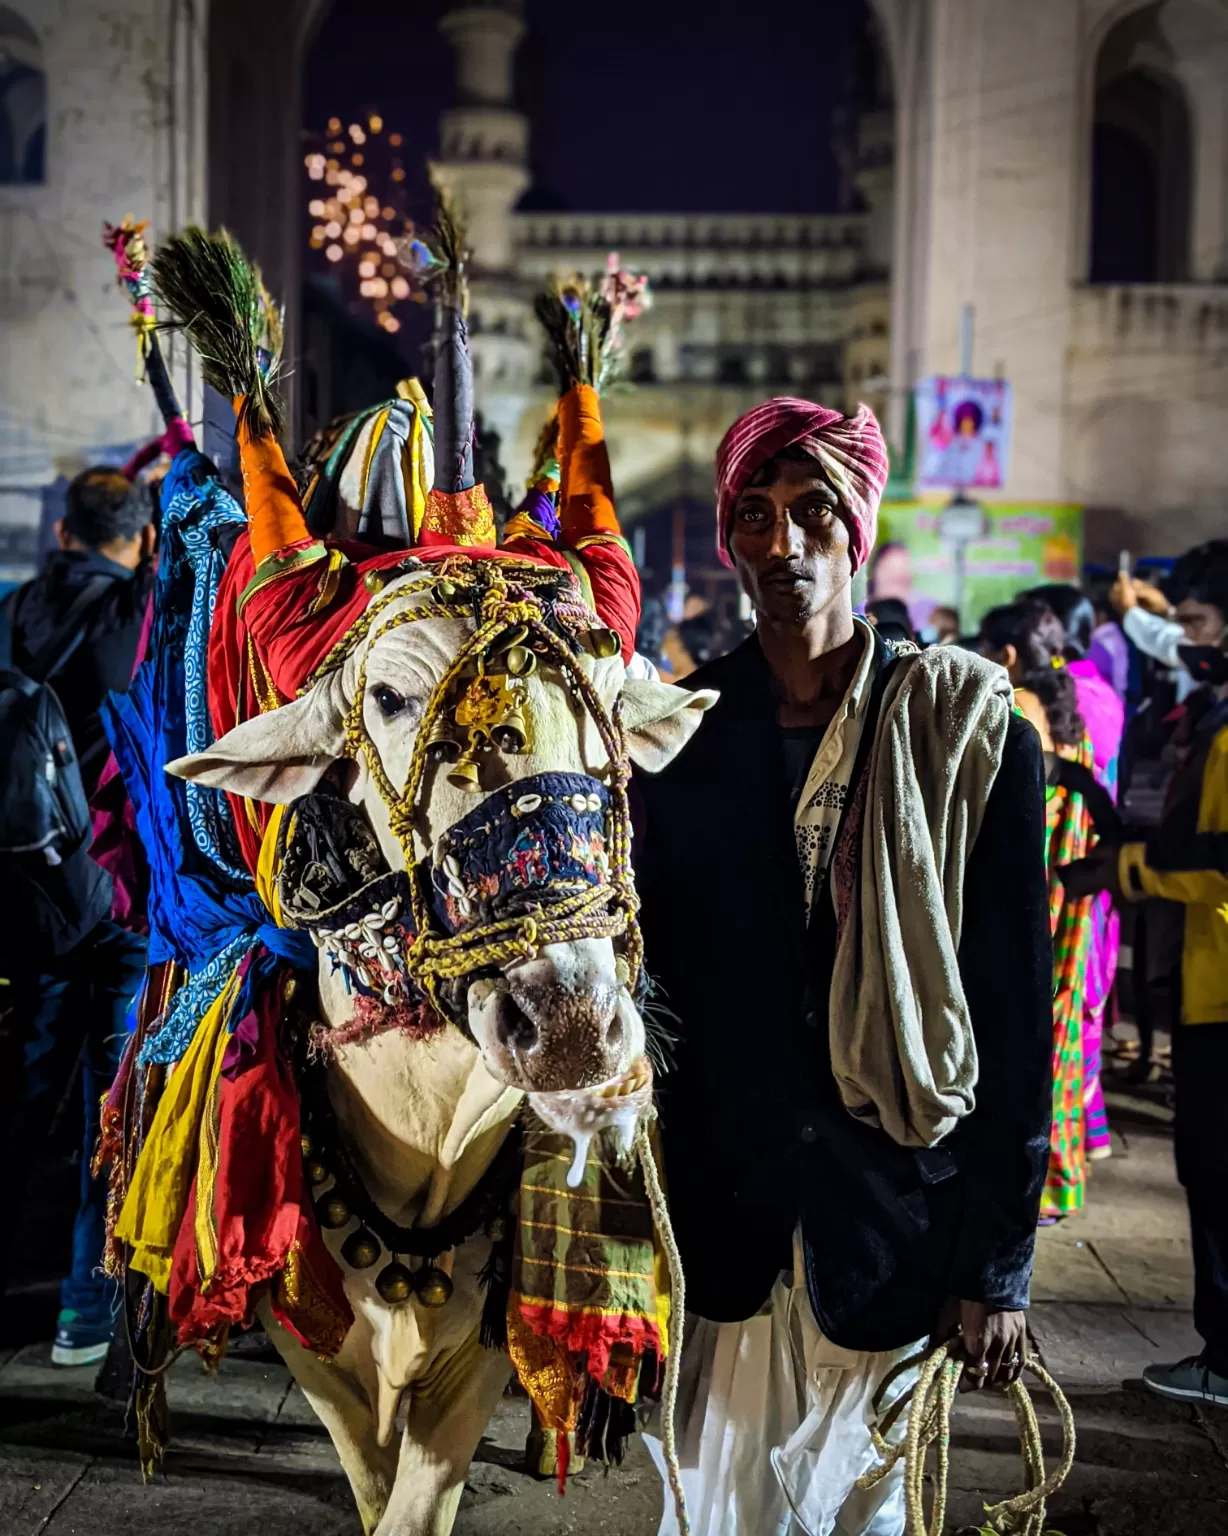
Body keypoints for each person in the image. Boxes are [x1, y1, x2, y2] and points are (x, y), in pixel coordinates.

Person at [637, 396, 1052, 1536]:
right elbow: (649, 994)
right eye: (755, 518)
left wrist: (997, 1265)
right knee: (714, 1511)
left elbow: (1018, 1019)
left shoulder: (970, 738)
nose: (782, 545)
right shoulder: (672, 739)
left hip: (893, 1224)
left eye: (811, 511)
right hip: (725, 1228)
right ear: (728, 542)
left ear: (855, 530)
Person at [3, 466, 154, 1365]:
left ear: (62, 533)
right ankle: (83, 1314)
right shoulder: (131, 618)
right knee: (113, 1103)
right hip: (116, 898)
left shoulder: (14, 612)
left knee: (21, 1095)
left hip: (28, 895)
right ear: (134, 541)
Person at [1063, 631, 1228, 1408]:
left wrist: (1118, 870)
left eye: (1202, 622)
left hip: (1220, 990)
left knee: (1214, 1169)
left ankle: (1223, 1359)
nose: (1194, 641)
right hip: (1207, 978)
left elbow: (1216, 863)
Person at [980, 599, 1095, 1219]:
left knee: (1022, 1039)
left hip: (1034, 893)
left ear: (1010, 654)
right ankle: (1056, 1182)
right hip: (1067, 902)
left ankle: (1023, 1184)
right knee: (1056, 1033)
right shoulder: (1069, 711)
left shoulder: (1017, 706)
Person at [1024, 583, 1125, 1160]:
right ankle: (1064, 1162)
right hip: (1088, 878)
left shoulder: (1061, 704)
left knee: (1056, 1021)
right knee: (1067, 1022)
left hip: (1070, 874)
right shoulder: (1094, 692)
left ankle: (1054, 1168)